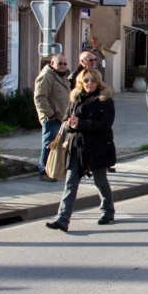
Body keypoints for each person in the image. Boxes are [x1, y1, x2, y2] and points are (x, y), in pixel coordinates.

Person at [45, 69, 117, 232]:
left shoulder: (105, 100)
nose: (89, 83)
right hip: (77, 147)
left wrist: (81, 124)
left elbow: (105, 125)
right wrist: (70, 124)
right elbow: (65, 120)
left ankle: (108, 211)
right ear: (80, 82)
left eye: (92, 80)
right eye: (86, 80)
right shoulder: (75, 99)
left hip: (97, 148)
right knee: (71, 183)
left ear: (98, 82)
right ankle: (62, 219)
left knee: (100, 182)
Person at [33, 53, 69, 182]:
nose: (63, 66)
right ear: (52, 64)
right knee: (49, 145)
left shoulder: (63, 77)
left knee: (58, 147)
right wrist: (50, 114)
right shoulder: (46, 76)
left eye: (65, 64)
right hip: (52, 119)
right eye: (59, 63)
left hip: (62, 118)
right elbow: (40, 98)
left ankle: (54, 170)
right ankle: (44, 172)